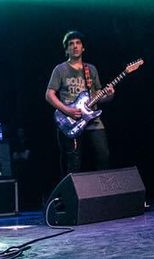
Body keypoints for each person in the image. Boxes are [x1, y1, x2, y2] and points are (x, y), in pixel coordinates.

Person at [45, 31, 113, 173]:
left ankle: (102, 186)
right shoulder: (60, 69)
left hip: (92, 119)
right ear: (66, 50)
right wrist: (67, 110)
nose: (75, 46)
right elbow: (49, 95)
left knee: (103, 155)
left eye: (78, 43)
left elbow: (99, 96)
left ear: (83, 48)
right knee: (73, 163)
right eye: (71, 44)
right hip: (70, 120)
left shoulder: (91, 69)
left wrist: (109, 95)